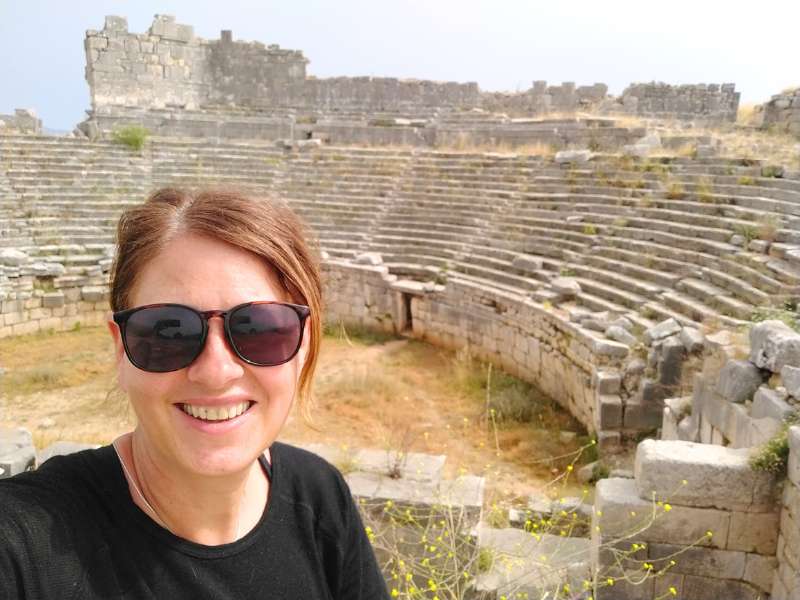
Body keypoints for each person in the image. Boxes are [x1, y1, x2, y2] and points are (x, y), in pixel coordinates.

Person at [0, 187, 390, 599]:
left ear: (303, 342)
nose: (216, 371)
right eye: (168, 330)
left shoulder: (320, 497)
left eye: (259, 328)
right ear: (122, 348)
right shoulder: (24, 544)